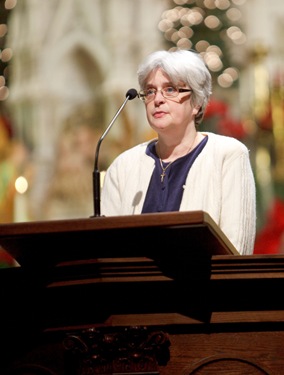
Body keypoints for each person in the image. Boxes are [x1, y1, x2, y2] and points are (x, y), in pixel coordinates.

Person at [100, 49, 256, 255]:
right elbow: (108, 251)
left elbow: (237, 248)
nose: (157, 99)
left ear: (197, 102)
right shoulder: (123, 166)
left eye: (170, 89)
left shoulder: (227, 155)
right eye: (150, 91)